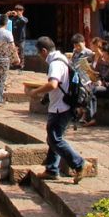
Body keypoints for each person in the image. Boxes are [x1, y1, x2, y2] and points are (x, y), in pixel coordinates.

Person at [28, 36, 91, 183]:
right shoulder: (62, 59)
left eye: (39, 53)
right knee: (53, 138)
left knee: (55, 139)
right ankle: (52, 169)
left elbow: (53, 84)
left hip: (60, 107)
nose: (39, 56)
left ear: (44, 51)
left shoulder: (55, 64)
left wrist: (35, 92)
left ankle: (80, 164)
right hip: (63, 105)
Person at [85, 43, 109, 127]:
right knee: (89, 89)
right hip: (102, 87)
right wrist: (97, 80)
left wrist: (103, 84)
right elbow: (101, 76)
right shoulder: (104, 64)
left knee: (94, 90)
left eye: (104, 52)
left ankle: (90, 117)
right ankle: (91, 117)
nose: (103, 54)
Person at [69, 34, 96, 124]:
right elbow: (72, 63)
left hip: (86, 78)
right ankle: (76, 111)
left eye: (79, 46)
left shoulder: (89, 53)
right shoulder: (75, 52)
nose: (77, 48)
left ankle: (82, 113)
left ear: (84, 43)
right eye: (75, 46)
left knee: (82, 90)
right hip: (76, 76)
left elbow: (92, 67)